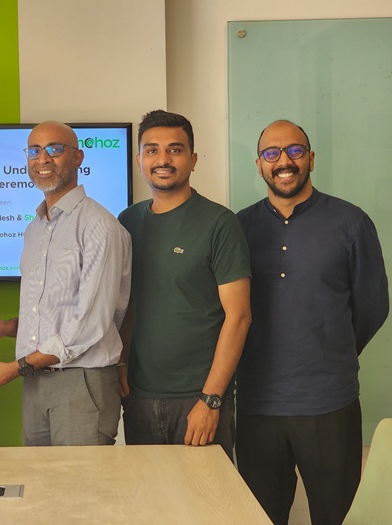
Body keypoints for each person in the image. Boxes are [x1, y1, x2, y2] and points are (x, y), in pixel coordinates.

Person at [235, 119, 389, 525]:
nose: (284, 161)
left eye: (295, 151)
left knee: (335, 517)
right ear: (259, 164)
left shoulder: (351, 222)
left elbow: (373, 307)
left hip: (330, 404)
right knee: (259, 518)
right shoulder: (238, 227)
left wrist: (328, 348)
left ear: (311, 159)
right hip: (256, 405)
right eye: (272, 153)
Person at [0, 121, 132, 446]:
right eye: (34, 151)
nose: (42, 159)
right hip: (37, 382)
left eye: (55, 149)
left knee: (78, 479)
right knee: (40, 477)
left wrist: (16, 368)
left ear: (78, 157)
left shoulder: (99, 226)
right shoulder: (34, 230)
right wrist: (6, 327)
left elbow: (89, 325)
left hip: (82, 382)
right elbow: (53, 313)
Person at [117, 110, 251, 457]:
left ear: (192, 159)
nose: (163, 159)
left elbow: (239, 317)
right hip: (139, 397)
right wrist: (120, 364)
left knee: (204, 493)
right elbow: (126, 304)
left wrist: (211, 399)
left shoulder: (219, 223)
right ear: (139, 160)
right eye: (152, 150)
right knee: (146, 492)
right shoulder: (127, 222)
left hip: (199, 399)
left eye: (174, 150)